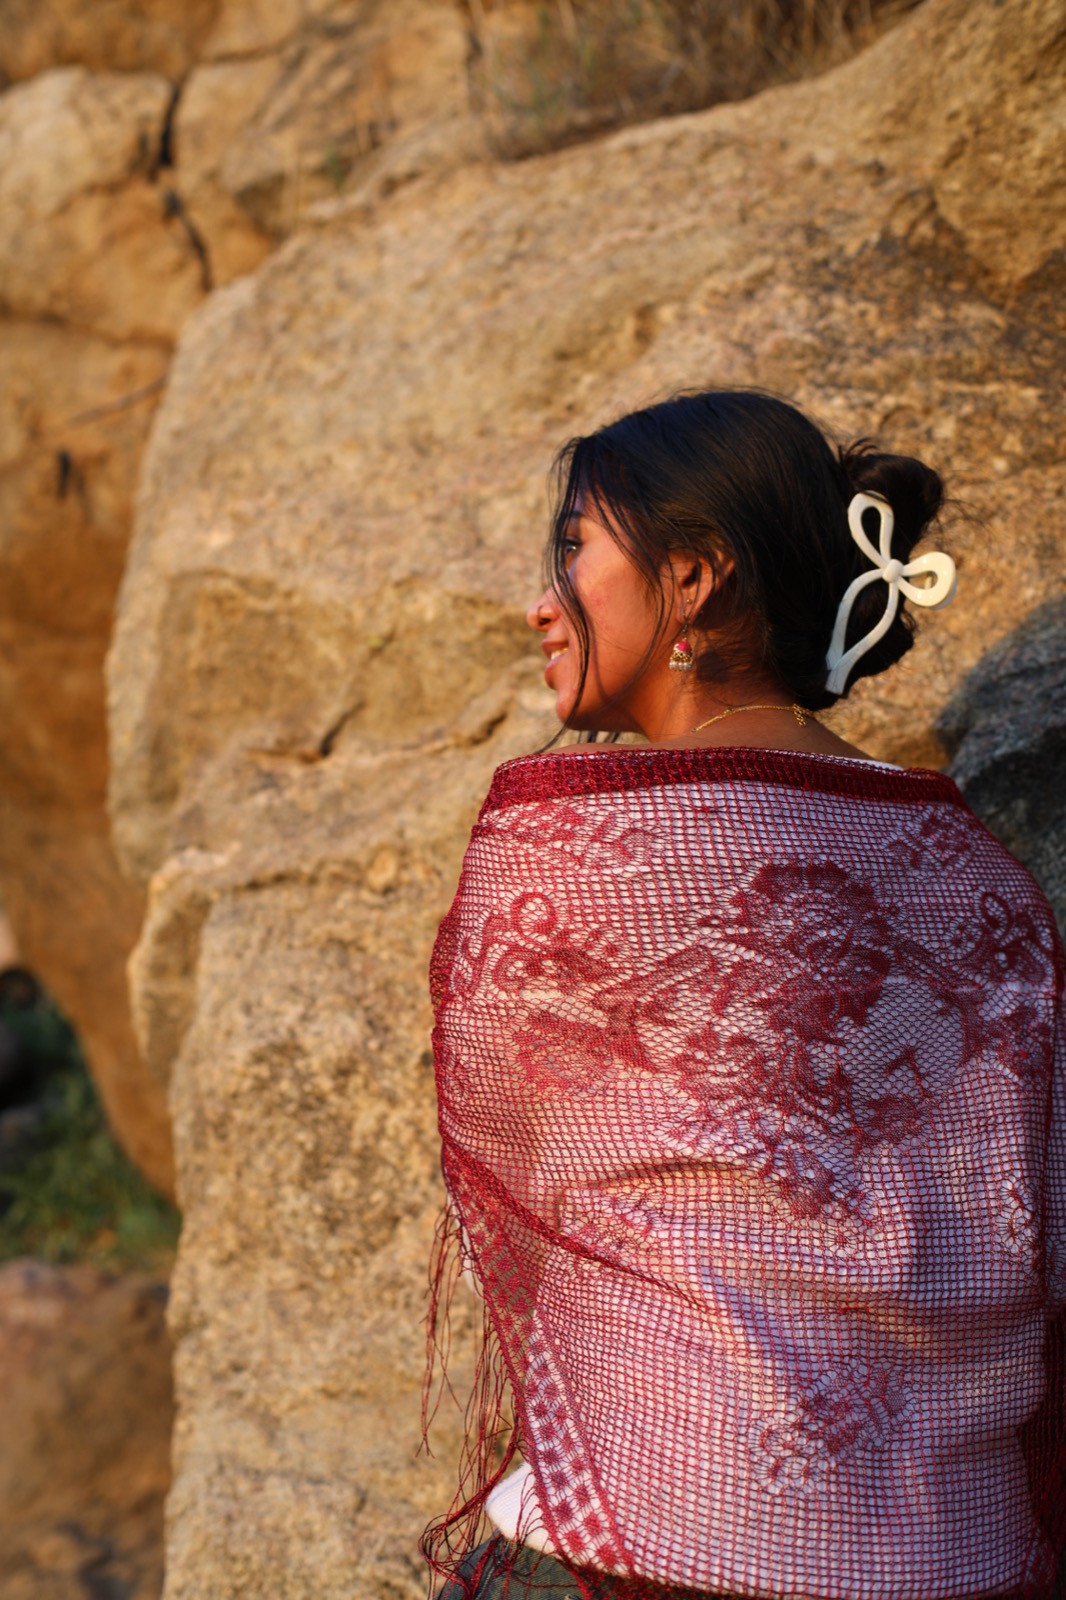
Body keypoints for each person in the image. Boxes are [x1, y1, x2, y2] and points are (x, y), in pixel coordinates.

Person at [423, 391, 1066, 1600]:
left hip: (643, 1530)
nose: (541, 602)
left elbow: (512, 1143)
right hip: (944, 1546)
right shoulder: (976, 874)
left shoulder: (568, 841)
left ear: (694, 577)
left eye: (573, 551)